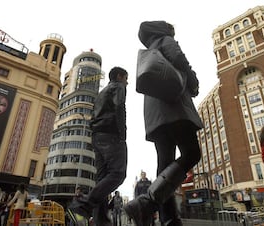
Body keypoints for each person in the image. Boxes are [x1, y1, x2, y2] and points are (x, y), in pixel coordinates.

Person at [124, 21, 203, 226]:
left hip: (155, 114)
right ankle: (147, 202)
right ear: (163, 30)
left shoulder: (148, 53)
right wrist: (192, 80)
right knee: (192, 153)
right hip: (174, 106)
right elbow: (178, 58)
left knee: (165, 163)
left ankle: (169, 218)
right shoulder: (165, 41)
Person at [68, 66, 129, 226]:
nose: (127, 82)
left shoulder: (102, 93)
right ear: (119, 76)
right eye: (126, 78)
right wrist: (122, 134)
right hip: (111, 134)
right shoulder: (118, 86)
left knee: (102, 178)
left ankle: (101, 220)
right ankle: (83, 204)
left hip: (97, 136)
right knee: (117, 173)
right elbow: (119, 107)